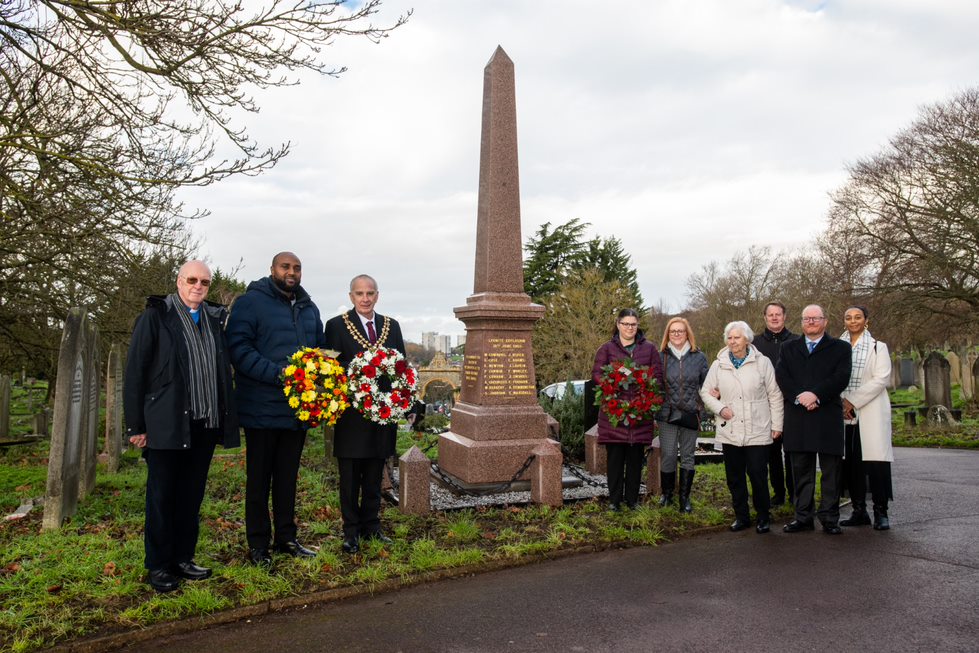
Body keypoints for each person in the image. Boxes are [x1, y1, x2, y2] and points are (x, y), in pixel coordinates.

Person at [124, 260, 240, 592]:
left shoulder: (215, 319)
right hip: (167, 423)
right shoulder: (156, 317)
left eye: (204, 281)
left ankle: (183, 557)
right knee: (162, 497)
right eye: (192, 279)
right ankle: (159, 565)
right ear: (179, 281)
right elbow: (135, 372)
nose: (198, 286)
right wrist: (136, 426)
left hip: (205, 424)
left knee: (191, 495)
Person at [226, 252, 323, 565]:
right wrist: (277, 373)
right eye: (286, 267)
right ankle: (258, 545)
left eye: (296, 267)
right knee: (259, 481)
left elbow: (320, 351)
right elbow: (239, 349)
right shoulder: (250, 303)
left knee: (287, 478)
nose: (291, 272)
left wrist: (324, 375)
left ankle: (286, 538)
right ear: (272, 270)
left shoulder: (309, 307)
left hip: (296, 411)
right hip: (262, 407)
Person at [324, 274, 407, 554]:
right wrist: (362, 368)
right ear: (351, 296)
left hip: (382, 413)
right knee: (349, 477)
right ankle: (351, 532)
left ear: (377, 295)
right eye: (359, 293)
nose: (365, 298)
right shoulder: (336, 326)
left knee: (374, 473)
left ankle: (372, 526)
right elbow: (331, 367)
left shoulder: (391, 326)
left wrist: (398, 400)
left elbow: (402, 367)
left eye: (370, 293)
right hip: (351, 414)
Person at [700, 321, 783, 533]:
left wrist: (777, 425)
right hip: (731, 429)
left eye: (737, 337)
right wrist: (720, 408)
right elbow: (705, 392)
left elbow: (774, 394)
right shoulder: (719, 364)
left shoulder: (762, 363)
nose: (733, 342)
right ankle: (741, 516)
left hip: (758, 428)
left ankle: (763, 516)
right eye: (729, 337)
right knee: (734, 476)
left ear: (747, 339)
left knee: (757, 474)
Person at [775, 304, 852, 535]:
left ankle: (829, 517)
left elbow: (841, 377)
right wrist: (800, 397)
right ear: (801, 322)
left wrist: (816, 394)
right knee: (801, 471)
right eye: (807, 319)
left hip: (827, 415)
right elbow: (782, 375)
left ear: (825, 321)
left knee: (831, 471)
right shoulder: (788, 348)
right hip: (798, 416)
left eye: (815, 318)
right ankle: (803, 517)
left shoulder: (840, 348)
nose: (811, 322)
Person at [591, 308, 665, 511]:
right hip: (614, 414)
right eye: (626, 324)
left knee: (634, 461)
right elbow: (597, 375)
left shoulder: (649, 349)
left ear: (637, 325)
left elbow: (657, 377)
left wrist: (645, 392)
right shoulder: (606, 349)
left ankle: (632, 500)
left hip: (639, 414)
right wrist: (614, 381)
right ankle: (615, 501)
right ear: (618, 324)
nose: (630, 328)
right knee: (615, 461)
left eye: (633, 324)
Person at [840, 306, 894, 530]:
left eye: (857, 317)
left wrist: (852, 400)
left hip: (870, 409)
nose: (853, 321)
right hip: (844, 412)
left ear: (866, 320)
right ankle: (859, 510)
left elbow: (881, 379)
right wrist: (842, 402)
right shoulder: (837, 347)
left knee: (876, 463)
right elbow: (834, 376)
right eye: (849, 318)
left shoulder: (877, 347)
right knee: (851, 464)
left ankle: (881, 512)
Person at [655, 317, 708, 512]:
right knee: (668, 454)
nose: (677, 334)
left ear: (688, 333)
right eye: (673, 331)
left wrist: (702, 408)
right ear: (668, 334)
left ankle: (684, 498)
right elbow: (654, 386)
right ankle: (667, 494)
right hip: (667, 414)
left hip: (690, 414)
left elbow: (707, 385)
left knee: (688, 456)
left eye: (681, 331)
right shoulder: (660, 356)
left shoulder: (699, 357)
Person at [753, 301, 800, 506]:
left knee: (792, 453)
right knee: (772, 454)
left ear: (784, 316)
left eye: (778, 314)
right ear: (765, 317)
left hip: (791, 405)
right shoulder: (754, 344)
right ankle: (778, 494)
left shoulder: (797, 341)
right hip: (765, 406)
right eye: (770, 314)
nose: (774, 318)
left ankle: (795, 494)